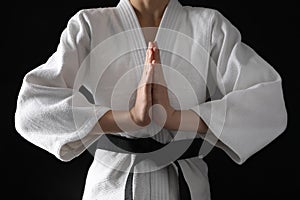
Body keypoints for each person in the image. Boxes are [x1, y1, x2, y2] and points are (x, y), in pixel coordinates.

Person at [14, 0, 287, 199]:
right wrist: (129, 118)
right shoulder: (89, 25)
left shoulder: (209, 26)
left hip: (187, 183)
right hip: (111, 186)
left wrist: (176, 117)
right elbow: (32, 107)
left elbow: (267, 104)